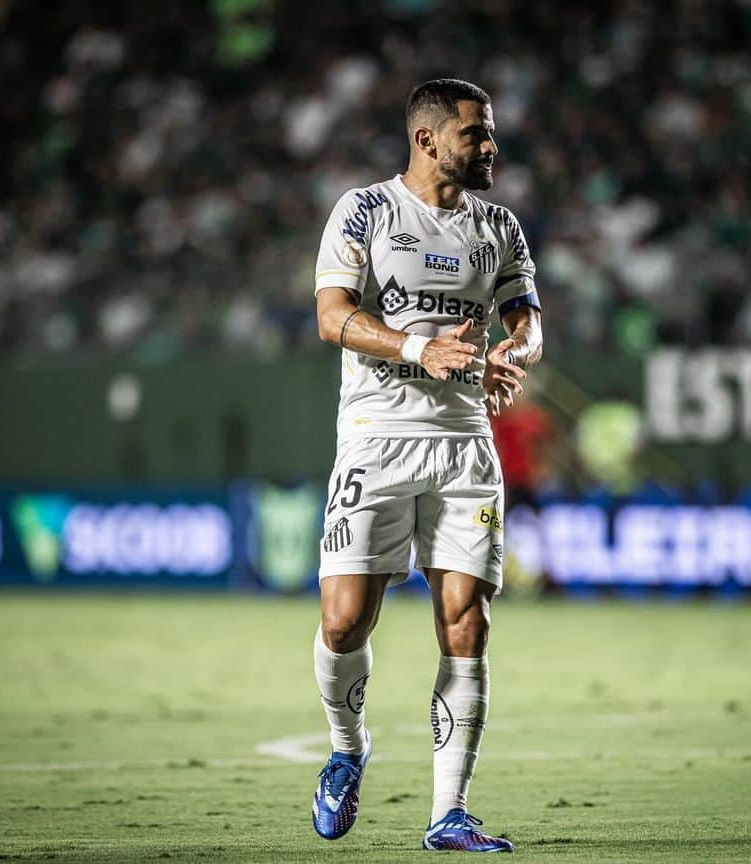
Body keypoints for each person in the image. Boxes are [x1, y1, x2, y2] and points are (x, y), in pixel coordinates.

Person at [311, 79, 542, 852]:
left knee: (466, 623)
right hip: (376, 434)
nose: (490, 148)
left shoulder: (500, 226)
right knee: (345, 622)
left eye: (491, 134)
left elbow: (528, 317)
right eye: (476, 134)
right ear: (427, 139)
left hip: (464, 442)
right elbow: (332, 316)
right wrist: (418, 346)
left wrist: (518, 349)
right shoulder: (366, 211)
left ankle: (449, 813)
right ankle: (348, 749)